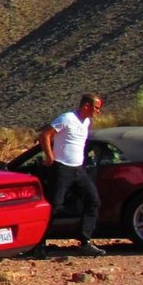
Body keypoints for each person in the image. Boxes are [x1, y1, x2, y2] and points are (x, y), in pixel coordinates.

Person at [39, 93, 105, 255]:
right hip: (62, 169)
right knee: (55, 205)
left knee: (93, 200)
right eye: (96, 108)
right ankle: (39, 244)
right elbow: (45, 135)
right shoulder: (67, 118)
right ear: (86, 106)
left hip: (79, 169)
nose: (98, 111)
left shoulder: (87, 122)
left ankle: (85, 242)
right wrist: (49, 157)